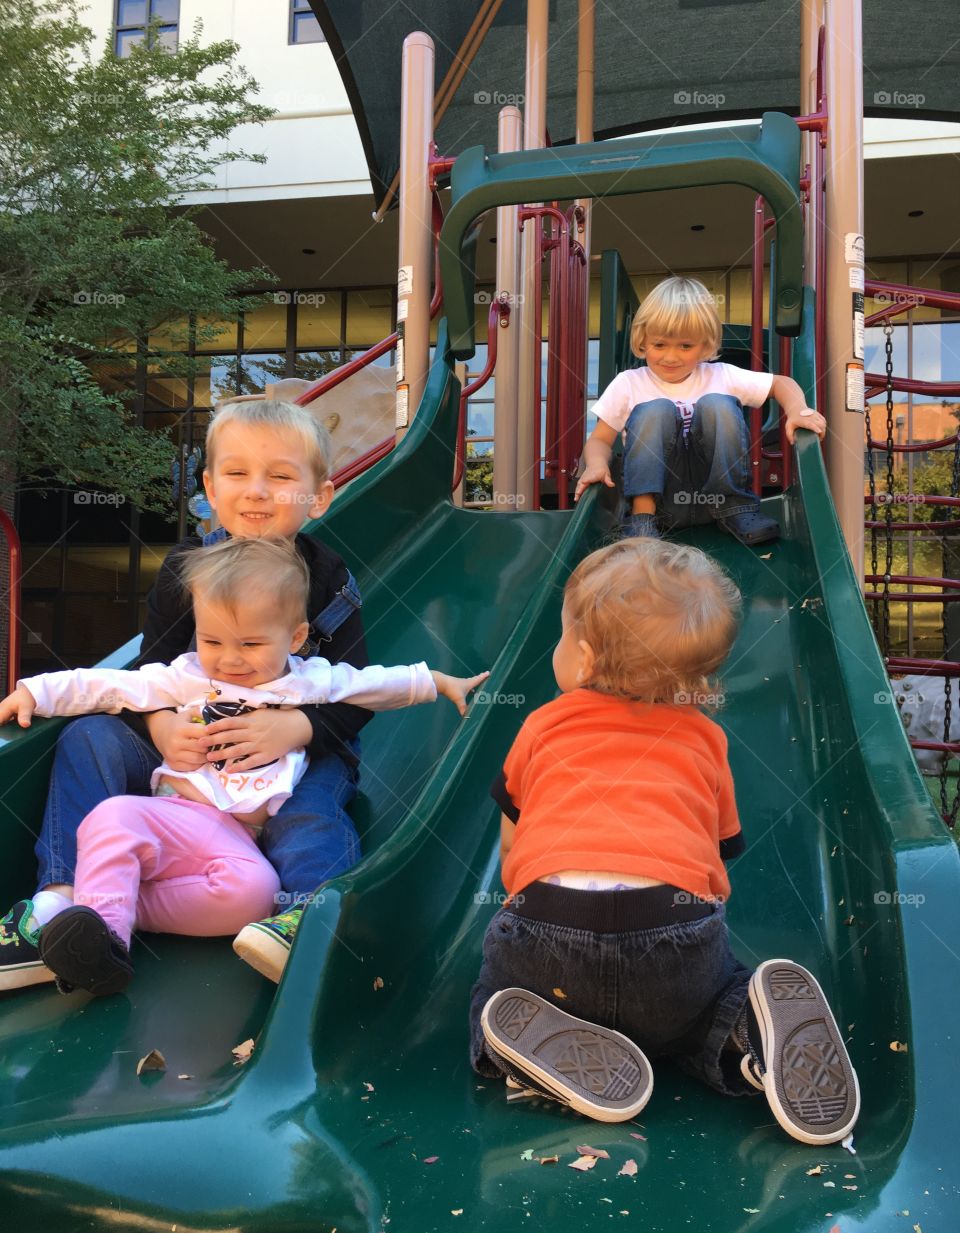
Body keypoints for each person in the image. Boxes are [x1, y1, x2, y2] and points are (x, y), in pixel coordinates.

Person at [469, 539, 859, 1145]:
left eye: (564, 635)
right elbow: (719, 849)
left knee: (496, 994)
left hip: (546, 932)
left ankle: (521, 1055)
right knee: (706, 1004)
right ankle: (744, 1040)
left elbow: (514, 848)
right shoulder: (705, 740)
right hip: (672, 939)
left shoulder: (542, 724)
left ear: (586, 658)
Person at [0, 399, 378, 994]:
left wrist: (297, 729)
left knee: (311, 812)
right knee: (89, 736)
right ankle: (61, 903)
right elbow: (153, 669)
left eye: (280, 477)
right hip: (195, 753)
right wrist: (159, 727)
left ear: (319, 497)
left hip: (296, 756)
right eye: (236, 474)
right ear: (208, 487)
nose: (256, 492)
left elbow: (358, 690)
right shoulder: (186, 567)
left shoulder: (328, 579)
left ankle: (306, 918)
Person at [0, 538, 486, 997]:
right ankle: (104, 944)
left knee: (257, 894)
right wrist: (36, 692)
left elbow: (373, 685)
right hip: (179, 820)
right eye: (213, 641)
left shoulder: (308, 680)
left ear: (295, 638)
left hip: (240, 844)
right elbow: (107, 686)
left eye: (251, 645)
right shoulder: (187, 676)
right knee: (113, 817)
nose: (229, 660)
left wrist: (439, 682)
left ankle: (102, 908)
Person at [575, 276, 826, 546]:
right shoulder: (629, 382)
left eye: (685, 346)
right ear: (643, 341)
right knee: (655, 411)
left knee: (718, 404)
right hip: (661, 505)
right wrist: (597, 464)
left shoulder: (720, 375)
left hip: (714, 500)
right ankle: (641, 519)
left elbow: (780, 383)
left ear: (705, 346)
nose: (671, 357)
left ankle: (735, 507)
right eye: (660, 345)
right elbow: (600, 439)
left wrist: (798, 408)